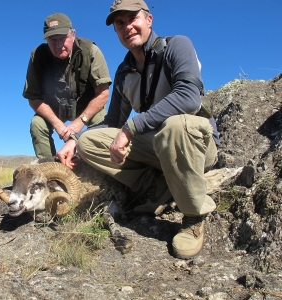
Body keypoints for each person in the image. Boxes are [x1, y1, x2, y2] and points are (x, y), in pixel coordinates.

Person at [57, 0, 220, 259]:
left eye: (132, 18)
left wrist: (131, 127)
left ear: (148, 20)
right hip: (158, 147)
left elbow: (189, 97)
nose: (127, 27)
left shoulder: (177, 45)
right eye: (120, 23)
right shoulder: (124, 72)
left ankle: (194, 214)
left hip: (194, 144)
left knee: (174, 125)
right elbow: (112, 122)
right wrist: (75, 139)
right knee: (90, 142)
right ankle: (156, 186)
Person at [23, 13, 112, 159]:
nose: (58, 45)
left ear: (73, 34)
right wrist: (58, 125)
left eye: (63, 38)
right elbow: (34, 98)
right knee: (37, 124)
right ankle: (49, 170)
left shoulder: (91, 51)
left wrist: (79, 123)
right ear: (46, 40)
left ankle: (98, 168)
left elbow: (103, 94)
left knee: (102, 122)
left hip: (87, 107)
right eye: (53, 40)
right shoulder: (37, 56)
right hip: (54, 108)